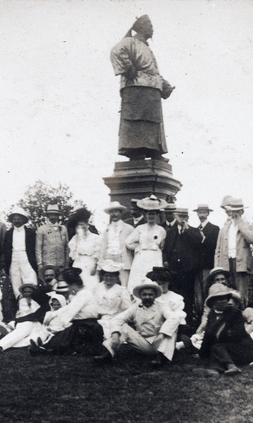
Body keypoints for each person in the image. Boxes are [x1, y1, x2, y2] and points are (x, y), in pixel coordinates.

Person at [110, 15, 175, 161]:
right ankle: (135, 151)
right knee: (137, 120)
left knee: (153, 122)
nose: (152, 29)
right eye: (150, 26)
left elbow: (153, 72)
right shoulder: (129, 42)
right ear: (142, 28)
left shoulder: (146, 48)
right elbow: (116, 51)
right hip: (136, 88)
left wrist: (165, 85)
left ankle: (154, 152)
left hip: (152, 90)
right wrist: (127, 68)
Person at [94, 282, 181, 366]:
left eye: (150, 295)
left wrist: (162, 334)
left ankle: (161, 358)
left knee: (173, 328)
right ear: (140, 296)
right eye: (144, 294)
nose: (147, 297)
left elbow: (174, 318)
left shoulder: (162, 306)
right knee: (123, 327)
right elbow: (117, 319)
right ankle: (108, 354)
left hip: (159, 343)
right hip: (142, 343)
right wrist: (115, 334)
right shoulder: (135, 307)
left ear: (155, 296)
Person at [29, 268, 104, 356]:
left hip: (87, 327)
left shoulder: (83, 295)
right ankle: (45, 343)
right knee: (63, 336)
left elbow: (68, 314)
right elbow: (67, 308)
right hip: (85, 326)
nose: (68, 289)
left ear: (73, 284)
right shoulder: (82, 293)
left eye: (68, 286)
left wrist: (52, 329)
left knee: (62, 340)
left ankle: (45, 345)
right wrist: (53, 314)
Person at [195, 283, 253, 377]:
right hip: (224, 351)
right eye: (219, 298)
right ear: (212, 302)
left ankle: (231, 366)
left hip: (242, 350)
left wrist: (216, 332)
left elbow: (237, 334)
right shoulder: (211, 315)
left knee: (216, 347)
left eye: (225, 298)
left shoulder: (235, 313)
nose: (223, 301)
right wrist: (202, 354)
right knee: (214, 349)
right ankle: (215, 371)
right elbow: (207, 337)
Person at [163, 207, 203, 325]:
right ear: (176, 217)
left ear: (188, 218)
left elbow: (198, 241)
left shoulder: (194, 231)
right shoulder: (171, 233)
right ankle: (173, 322)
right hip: (174, 271)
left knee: (188, 298)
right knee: (174, 296)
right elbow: (165, 250)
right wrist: (166, 262)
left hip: (188, 271)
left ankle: (187, 323)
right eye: (180, 216)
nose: (182, 219)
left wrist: (187, 229)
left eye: (185, 216)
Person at [214, 198, 253, 306]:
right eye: (233, 210)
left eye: (238, 211)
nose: (235, 213)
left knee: (241, 295)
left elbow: (252, 240)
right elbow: (218, 250)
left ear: (242, 211)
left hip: (241, 264)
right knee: (226, 293)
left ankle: (241, 317)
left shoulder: (248, 225)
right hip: (226, 264)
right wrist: (217, 268)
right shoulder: (224, 228)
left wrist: (240, 224)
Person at [125, 195, 167, 292]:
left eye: (153, 214)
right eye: (149, 214)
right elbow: (128, 242)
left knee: (153, 281)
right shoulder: (140, 228)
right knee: (139, 280)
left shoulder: (161, 230)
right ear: (145, 215)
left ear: (156, 215)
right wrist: (139, 247)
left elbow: (162, 246)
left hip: (155, 258)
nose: (151, 216)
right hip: (141, 258)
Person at [0, 283, 46, 352]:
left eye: (29, 292)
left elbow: (38, 314)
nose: (27, 294)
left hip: (35, 322)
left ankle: (0, 344)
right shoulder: (21, 301)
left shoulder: (38, 300)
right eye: (25, 292)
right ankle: (0, 345)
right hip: (24, 321)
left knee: (35, 336)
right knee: (23, 330)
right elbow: (19, 313)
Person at [92, 260, 133, 339]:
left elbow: (127, 310)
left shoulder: (121, 290)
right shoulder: (96, 288)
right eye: (106, 275)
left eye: (112, 276)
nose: (109, 278)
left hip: (114, 320)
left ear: (116, 277)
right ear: (103, 276)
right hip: (97, 319)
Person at [3, 206, 38, 298]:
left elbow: (35, 248)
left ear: (23, 220)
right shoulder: (8, 233)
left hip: (27, 258)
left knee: (30, 281)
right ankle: (20, 307)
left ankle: (34, 305)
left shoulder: (30, 232)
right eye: (14, 219)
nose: (17, 221)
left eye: (19, 218)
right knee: (16, 284)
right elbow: (6, 250)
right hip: (13, 259)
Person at [193, 204, 220, 320]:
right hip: (196, 266)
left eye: (204, 212)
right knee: (197, 293)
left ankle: (209, 317)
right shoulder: (194, 229)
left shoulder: (214, 229)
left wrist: (203, 238)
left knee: (207, 290)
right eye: (200, 213)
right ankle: (199, 317)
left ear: (208, 213)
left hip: (208, 265)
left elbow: (213, 246)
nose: (202, 215)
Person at [98, 201, 134, 287]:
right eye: (112, 212)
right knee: (108, 284)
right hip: (108, 259)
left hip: (122, 260)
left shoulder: (129, 228)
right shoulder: (107, 229)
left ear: (121, 213)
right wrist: (100, 263)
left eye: (116, 211)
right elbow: (103, 247)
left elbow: (133, 245)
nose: (114, 214)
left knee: (124, 284)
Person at [67, 209, 101, 290]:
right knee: (79, 284)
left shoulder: (95, 237)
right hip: (79, 263)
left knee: (92, 285)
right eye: (79, 226)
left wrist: (95, 266)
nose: (81, 227)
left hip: (90, 263)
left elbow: (98, 253)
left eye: (83, 225)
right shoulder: (75, 239)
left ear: (87, 225)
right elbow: (73, 255)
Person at [35, 204, 70, 273]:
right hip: (47, 264)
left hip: (61, 264)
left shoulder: (63, 229)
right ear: (48, 216)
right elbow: (38, 248)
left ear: (58, 216)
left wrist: (67, 262)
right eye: (51, 215)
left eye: (55, 215)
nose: (53, 217)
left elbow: (67, 247)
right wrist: (40, 263)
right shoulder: (41, 229)